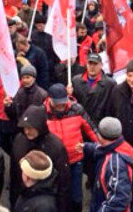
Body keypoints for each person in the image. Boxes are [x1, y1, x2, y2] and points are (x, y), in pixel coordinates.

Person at [44, 84, 98, 212]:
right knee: (58, 195)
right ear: (50, 100)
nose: (61, 107)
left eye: (63, 103)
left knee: (76, 197)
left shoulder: (77, 109)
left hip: (75, 160)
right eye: (58, 104)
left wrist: (101, 145)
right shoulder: (43, 113)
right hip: (54, 163)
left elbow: (91, 129)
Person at [10, 106, 70, 210]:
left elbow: (63, 182)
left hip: (44, 201)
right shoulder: (19, 140)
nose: (27, 131)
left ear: (40, 127)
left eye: (30, 128)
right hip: (22, 197)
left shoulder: (56, 147)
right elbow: (14, 172)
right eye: (25, 128)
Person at [81, 117, 133, 212]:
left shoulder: (116, 164)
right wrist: (86, 146)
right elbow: (101, 148)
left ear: (101, 137)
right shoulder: (121, 146)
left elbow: (118, 200)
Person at [70, 53, 116, 124]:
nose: (92, 67)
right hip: (82, 123)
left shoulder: (110, 84)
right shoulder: (76, 81)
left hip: (101, 124)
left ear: (101, 65)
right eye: (90, 64)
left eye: (95, 64)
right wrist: (69, 94)